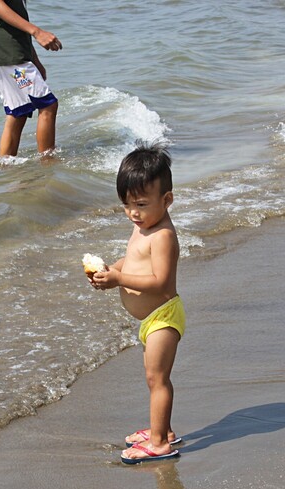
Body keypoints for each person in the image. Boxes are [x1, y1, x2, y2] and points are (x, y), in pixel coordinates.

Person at [89, 142, 185, 464]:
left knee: (158, 379)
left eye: (141, 205)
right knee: (152, 377)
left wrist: (120, 280)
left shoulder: (164, 237)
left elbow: (160, 282)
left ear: (166, 200)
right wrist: (113, 269)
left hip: (163, 318)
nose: (133, 213)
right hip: (150, 321)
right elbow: (132, 258)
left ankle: (159, 444)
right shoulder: (142, 227)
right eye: (127, 205)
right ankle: (164, 430)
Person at [0, 0, 62, 157]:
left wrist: (35, 59)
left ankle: (7, 170)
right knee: (48, 105)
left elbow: (16, 20)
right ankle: (48, 167)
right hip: (7, 51)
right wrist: (37, 32)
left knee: (18, 112)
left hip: (6, 50)